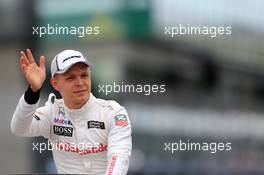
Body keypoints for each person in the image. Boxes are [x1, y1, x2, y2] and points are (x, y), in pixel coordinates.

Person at [11, 49, 132, 174]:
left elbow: (119, 158)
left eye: (84, 75)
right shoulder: (52, 113)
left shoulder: (113, 113)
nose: (80, 83)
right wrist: (33, 91)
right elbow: (19, 128)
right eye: (71, 78)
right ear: (55, 84)